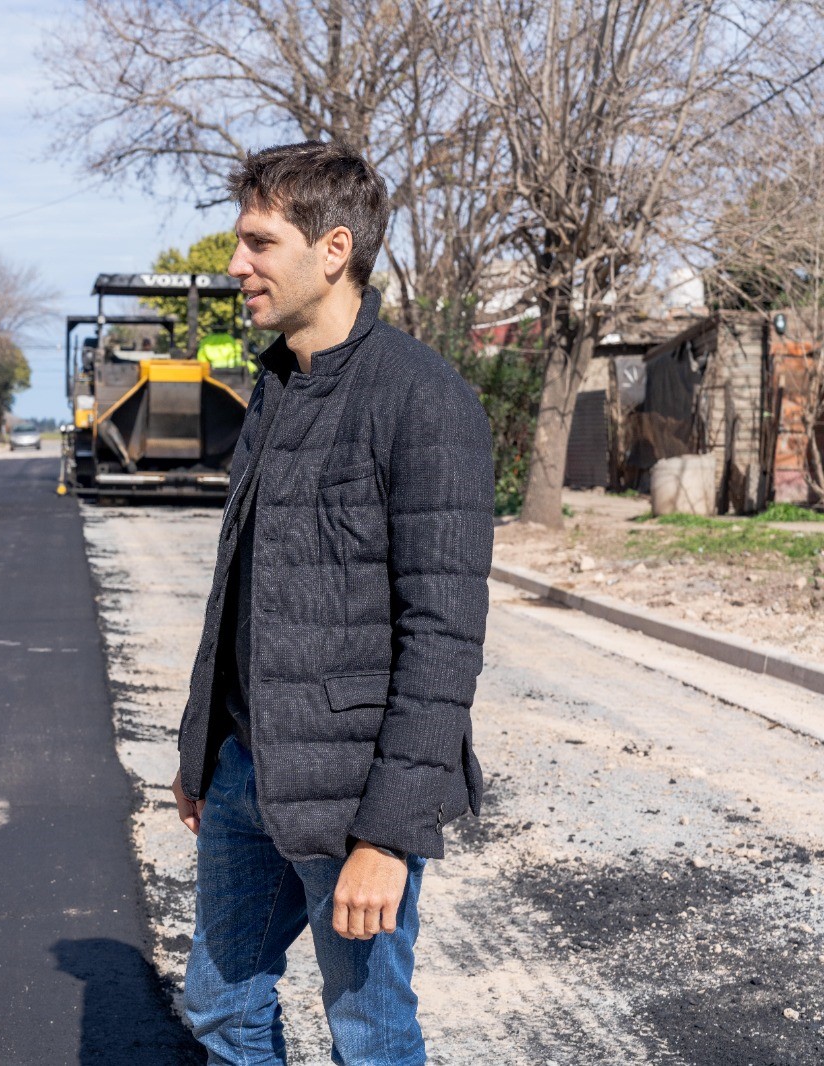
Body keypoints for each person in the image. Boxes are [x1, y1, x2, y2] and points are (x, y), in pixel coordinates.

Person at [171, 142, 493, 1065]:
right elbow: (239, 588)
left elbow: (443, 638)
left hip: (353, 794)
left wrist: (386, 837)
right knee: (222, 1012)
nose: (237, 265)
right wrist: (202, 745)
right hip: (244, 768)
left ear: (334, 248)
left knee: (370, 1037)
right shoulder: (274, 385)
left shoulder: (423, 401)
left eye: (259, 243)